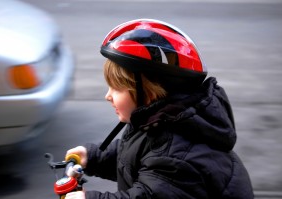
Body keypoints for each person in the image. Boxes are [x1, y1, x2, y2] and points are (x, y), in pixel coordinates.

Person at [65, 19, 254, 199]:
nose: (108, 96)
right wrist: (94, 157)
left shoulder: (177, 160)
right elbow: (133, 158)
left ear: (150, 91)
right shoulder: (157, 121)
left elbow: (149, 193)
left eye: (117, 88)